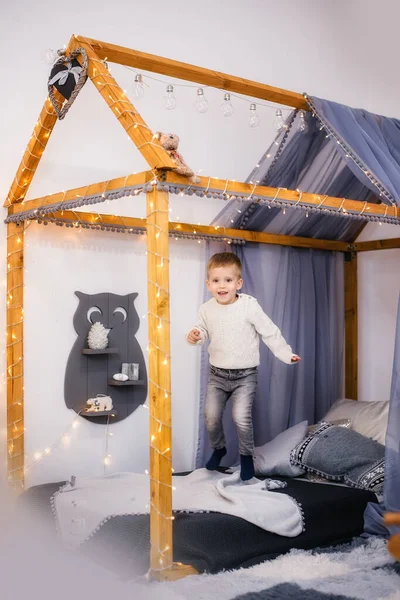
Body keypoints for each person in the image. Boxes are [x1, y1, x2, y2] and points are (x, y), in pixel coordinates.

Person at [187, 252, 301, 481]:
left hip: (245, 376)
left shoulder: (249, 306)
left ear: (238, 283)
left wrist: (285, 354)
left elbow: (269, 331)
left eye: (228, 281)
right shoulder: (206, 309)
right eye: (216, 281)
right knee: (210, 415)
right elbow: (203, 331)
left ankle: (246, 457)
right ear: (208, 284)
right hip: (217, 375)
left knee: (241, 417)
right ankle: (219, 449)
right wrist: (195, 336)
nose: (222, 286)